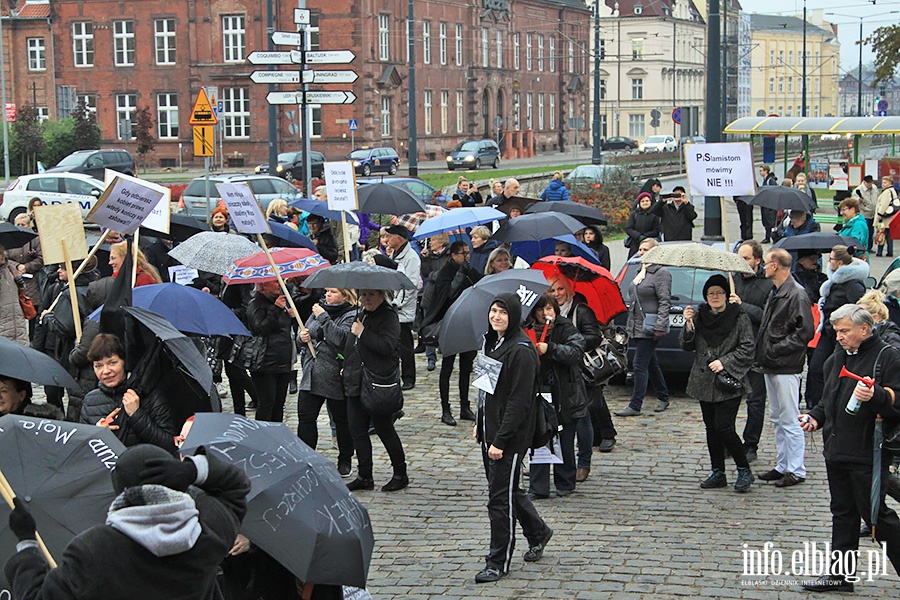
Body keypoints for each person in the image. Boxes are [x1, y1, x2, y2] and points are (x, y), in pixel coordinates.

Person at [5, 443, 250, 600]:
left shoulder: (94, 550)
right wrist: (192, 469)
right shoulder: (209, 528)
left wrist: (27, 543)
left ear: (120, 490)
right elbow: (236, 487)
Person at [800, 305, 900, 591]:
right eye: (837, 331)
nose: (839, 336)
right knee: (842, 513)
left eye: (845, 330)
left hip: (868, 451)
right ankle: (840, 576)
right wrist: (816, 418)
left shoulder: (887, 356)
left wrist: (877, 395)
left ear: (864, 328)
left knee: (876, 516)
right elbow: (828, 398)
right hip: (837, 449)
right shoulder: (838, 357)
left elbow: (897, 401)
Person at [474, 293, 552, 584]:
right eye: (493, 311)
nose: (496, 316)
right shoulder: (490, 342)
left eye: (502, 312)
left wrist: (500, 440)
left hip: (510, 436)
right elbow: (485, 388)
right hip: (490, 430)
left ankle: (498, 561)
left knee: (498, 500)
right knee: (507, 490)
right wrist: (481, 424)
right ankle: (538, 531)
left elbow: (520, 402)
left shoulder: (520, 350)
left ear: (514, 316)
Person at [682, 275, 756, 492]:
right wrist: (688, 325)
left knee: (724, 427)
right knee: (711, 429)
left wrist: (724, 362)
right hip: (704, 381)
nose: (715, 297)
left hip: (728, 381)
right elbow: (687, 345)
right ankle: (718, 472)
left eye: (719, 292)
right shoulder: (698, 316)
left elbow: (748, 347)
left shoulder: (739, 317)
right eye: (711, 293)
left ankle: (744, 470)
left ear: (726, 295)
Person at [756, 248, 814, 488]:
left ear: (776, 265)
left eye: (767, 263)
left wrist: (775, 349)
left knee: (790, 418)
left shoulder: (796, 294)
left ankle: (796, 469)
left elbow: (805, 332)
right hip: (772, 363)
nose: (763, 267)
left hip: (786, 365)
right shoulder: (777, 292)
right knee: (778, 417)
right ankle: (783, 465)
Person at [343, 289, 409, 492]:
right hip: (357, 380)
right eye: (364, 295)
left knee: (384, 429)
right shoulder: (362, 314)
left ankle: (400, 473)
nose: (366, 299)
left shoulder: (388, 316)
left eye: (371, 295)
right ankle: (365, 475)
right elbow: (353, 345)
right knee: (357, 430)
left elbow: (387, 346)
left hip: (377, 382)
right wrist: (347, 365)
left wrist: (363, 332)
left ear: (382, 295)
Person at [547, 274, 616, 464]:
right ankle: (546, 459)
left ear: (569, 289)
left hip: (580, 371)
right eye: (552, 290)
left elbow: (594, 336)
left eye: (560, 289)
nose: (557, 293)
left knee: (583, 417)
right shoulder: (546, 311)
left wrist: (573, 343)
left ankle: (584, 461)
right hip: (557, 372)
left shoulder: (581, 310)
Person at [526, 295, 587, 499]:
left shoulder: (565, 327)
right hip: (538, 390)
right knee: (539, 437)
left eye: (549, 309)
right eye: (541, 310)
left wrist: (550, 349)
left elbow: (576, 352)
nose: (545, 314)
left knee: (565, 439)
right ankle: (538, 486)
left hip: (563, 393)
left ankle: (565, 481)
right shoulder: (527, 329)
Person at [80, 333, 176, 451]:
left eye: (112, 363)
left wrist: (136, 415)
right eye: (98, 366)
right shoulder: (90, 401)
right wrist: (96, 435)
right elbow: (83, 451)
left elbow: (169, 444)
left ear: (124, 362)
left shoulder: (149, 394)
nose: (106, 371)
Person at [297, 288, 357, 477]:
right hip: (312, 374)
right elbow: (304, 333)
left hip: (335, 375)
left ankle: (345, 459)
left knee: (341, 420)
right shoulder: (318, 310)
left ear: (345, 295)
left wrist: (323, 317)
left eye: (333, 291)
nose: (328, 295)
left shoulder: (350, 315)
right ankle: (307, 457)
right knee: (306, 418)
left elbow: (341, 339)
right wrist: (301, 338)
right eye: (327, 291)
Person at [422, 241, 481, 426]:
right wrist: (461, 275)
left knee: (466, 367)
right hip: (448, 322)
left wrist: (469, 273)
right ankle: (445, 409)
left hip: (467, 322)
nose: (466, 256)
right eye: (462, 253)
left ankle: (465, 406)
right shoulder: (444, 273)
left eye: (467, 253)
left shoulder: (469, 269)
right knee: (447, 368)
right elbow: (447, 296)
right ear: (453, 255)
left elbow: (479, 284)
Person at [805, 245, 869, 410]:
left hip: (842, 334)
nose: (828, 261)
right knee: (817, 367)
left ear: (840, 263)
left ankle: (830, 405)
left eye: (831, 259)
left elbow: (859, 310)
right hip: (828, 331)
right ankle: (818, 404)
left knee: (834, 369)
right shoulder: (834, 281)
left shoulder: (853, 285)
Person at [731, 241, 774, 463]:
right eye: (740, 257)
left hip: (756, 348)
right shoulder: (733, 280)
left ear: (757, 260)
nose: (742, 262)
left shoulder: (768, 285)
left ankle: (750, 444)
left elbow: (766, 316)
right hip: (732, 349)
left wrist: (741, 305)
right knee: (728, 398)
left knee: (756, 401)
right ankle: (729, 441)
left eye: (746, 258)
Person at [616, 238, 671, 416]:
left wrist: (660, 326)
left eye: (646, 249)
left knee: (639, 365)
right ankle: (663, 396)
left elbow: (664, 301)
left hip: (650, 326)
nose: (641, 252)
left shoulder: (661, 273)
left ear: (656, 252)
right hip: (636, 325)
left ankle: (635, 405)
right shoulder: (641, 271)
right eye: (640, 249)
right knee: (651, 362)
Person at [246, 280, 295, 423]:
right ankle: (263, 437)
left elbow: (281, 328)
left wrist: (289, 316)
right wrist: (276, 309)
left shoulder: (279, 301)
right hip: (265, 362)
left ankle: (277, 434)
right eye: (275, 281)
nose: (279, 284)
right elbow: (261, 328)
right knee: (267, 403)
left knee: (279, 403)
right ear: (264, 285)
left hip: (282, 360)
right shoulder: (256, 304)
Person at [384, 225, 421, 390]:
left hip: (402, 308)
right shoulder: (394, 254)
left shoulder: (411, 257)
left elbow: (410, 285)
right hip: (392, 304)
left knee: (405, 344)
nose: (387, 239)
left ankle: (409, 377)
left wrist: (398, 303)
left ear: (400, 238)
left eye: (390, 236)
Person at [0, 245, 29, 346]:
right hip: (3, 326)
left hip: (18, 323)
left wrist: (21, 285)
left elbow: (21, 293)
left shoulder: (11, 269)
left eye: (2, 252)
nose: (2, 256)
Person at [624, 193, 661, 259]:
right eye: (643, 201)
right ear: (639, 203)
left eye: (647, 201)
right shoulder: (634, 214)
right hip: (635, 244)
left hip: (650, 244)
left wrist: (645, 236)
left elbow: (656, 230)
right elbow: (628, 228)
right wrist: (638, 236)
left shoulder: (655, 214)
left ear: (650, 202)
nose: (645, 203)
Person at [875, 175, 900, 257]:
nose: (883, 184)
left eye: (885, 182)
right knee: (889, 236)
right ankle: (890, 251)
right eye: (882, 182)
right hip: (891, 217)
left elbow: (884, 205)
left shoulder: (886, 192)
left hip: (884, 218)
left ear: (890, 183)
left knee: (881, 234)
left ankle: (879, 251)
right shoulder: (893, 191)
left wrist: (879, 214)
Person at [854, 174, 879, 252]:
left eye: (871, 183)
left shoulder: (874, 188)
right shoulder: (858, 190)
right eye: (868, 183)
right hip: (864, 214)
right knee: (865, 231)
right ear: (864, 182)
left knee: (871, 232)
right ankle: (864, 247)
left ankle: (869, 247)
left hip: (873, 213)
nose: (870, 185)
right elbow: (854, 203)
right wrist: (859, 200)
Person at [758, 165, 779, 243]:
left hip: (769, 204)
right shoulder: (765, 180)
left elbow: (773, 192)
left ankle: (773, 237)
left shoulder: (770, 180)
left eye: (761, 170)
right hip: (765, 204)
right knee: (766, 221)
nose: (760, 172)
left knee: (770, 221)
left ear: (766, 171)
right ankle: (767, 236)